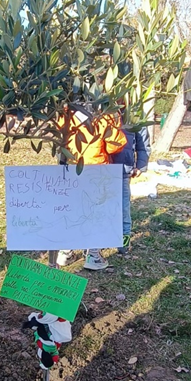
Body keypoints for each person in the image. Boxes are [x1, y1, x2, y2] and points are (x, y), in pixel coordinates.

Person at [55, 101, 126, 270]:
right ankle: (93, 255)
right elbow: (115, 145)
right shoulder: (103, 118)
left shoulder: (65, 115)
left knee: (72, 211)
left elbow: (58, 139)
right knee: (95, 213)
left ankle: (65, 252)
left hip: (71, 169)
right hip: (96, 171)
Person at [111, 121, 151, 254]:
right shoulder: (102, 114)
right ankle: (95, 246)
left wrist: (140, 165)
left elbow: (143, 144)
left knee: (123, 209)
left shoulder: (134, 117)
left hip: (123, 171)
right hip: (100, 169)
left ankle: (124, 244)